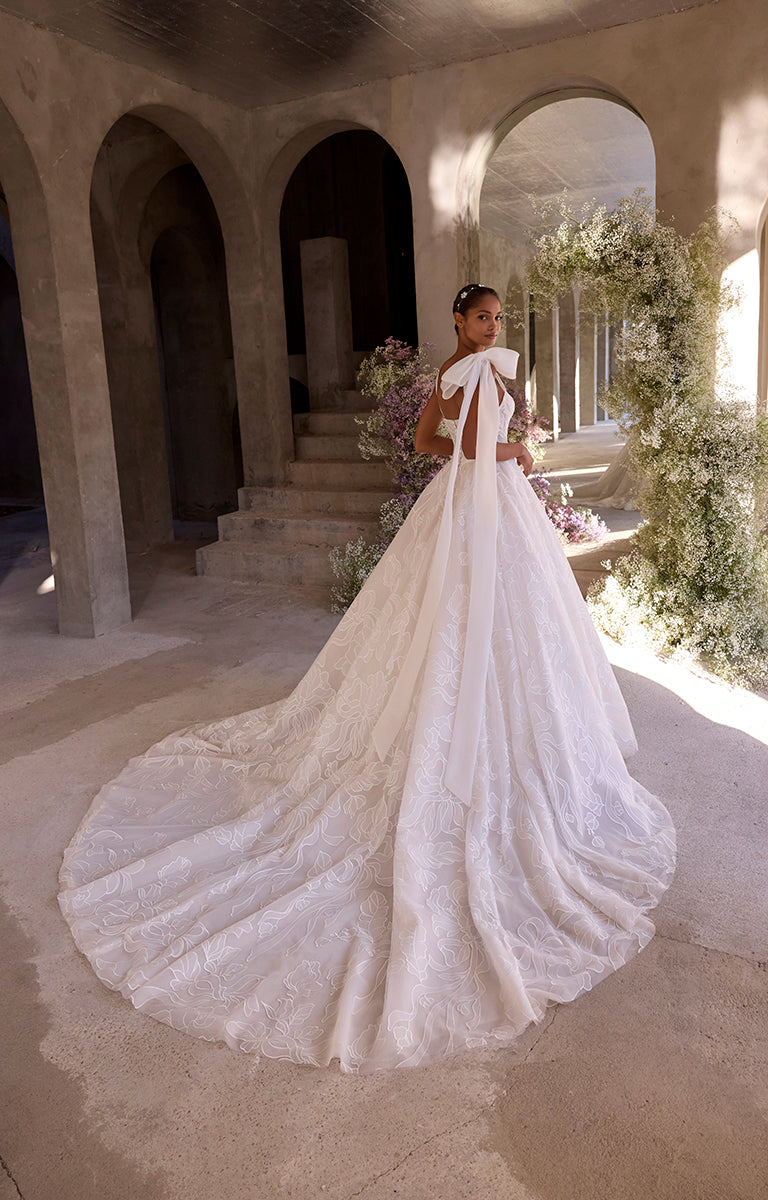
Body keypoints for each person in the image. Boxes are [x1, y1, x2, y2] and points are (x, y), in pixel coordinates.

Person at [59, 284, 676, 1073]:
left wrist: (488, 445)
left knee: (483, 625)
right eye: (482, 317)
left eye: (495, 317)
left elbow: (427, 444)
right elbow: (468, 446)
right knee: (474, 622)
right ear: (460, 321)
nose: (492, 325)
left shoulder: (455, 373)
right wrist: (517, 452)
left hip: (461, 505)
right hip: (487, 507)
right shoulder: (483, 372)